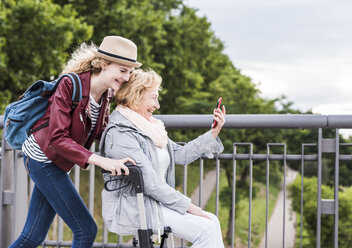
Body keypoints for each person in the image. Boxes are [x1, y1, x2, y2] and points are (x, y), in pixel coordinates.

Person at [9, 36, 140, 248]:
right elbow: (57, 138)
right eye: (122, 70)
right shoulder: (70, 84)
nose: (126, 77)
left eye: (129, 72)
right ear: (103, 64)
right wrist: (101, 161)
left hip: (58, 164)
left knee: (32, 237)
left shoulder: (106, 95)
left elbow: (102, 134)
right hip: (42, 158)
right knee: (86, 229)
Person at [100, 69, 226, 248]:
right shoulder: (121, 133)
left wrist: (213, 133)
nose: (157, 105)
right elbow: (149, 181)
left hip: (155, 203)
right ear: (136, 95)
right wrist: (188, 205)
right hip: (136, 207)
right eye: (154, 98)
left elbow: (179, 155)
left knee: (212, 221)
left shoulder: (150, 128)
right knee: (206, 229)